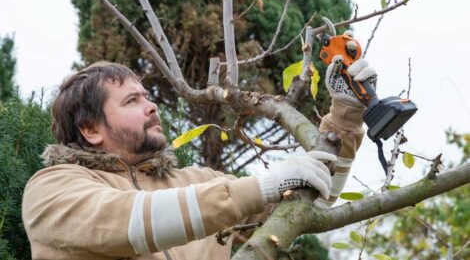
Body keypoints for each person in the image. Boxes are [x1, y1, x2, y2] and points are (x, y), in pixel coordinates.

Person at [22, 51, 376, 259]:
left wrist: (346, 114)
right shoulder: (51, 190)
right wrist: (258, 187)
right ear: (90, 130)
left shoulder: (200, 182)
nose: (152, 107)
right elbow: (128, 220)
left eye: (147, 96)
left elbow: (311, 202)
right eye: (132, 101)